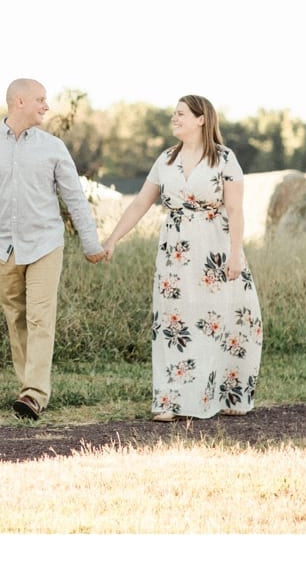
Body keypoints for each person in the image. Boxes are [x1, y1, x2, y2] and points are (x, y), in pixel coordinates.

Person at [102, 95, 262, 421]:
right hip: (175, 250)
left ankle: (227, 394)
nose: (174, 119)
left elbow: (234, 210)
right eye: (173, 114)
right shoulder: (166, 159)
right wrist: (112, 239)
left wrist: (235, 255)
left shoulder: (225, 159)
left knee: (220, 319)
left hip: (215, 250)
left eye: (181, 114)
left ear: (202, 119)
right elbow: (139, 204)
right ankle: (169, 400)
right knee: (174, 321)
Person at [0, 78, 110, 420]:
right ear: (20, 102)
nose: (46, 106)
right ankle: (28, 386)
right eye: (40, 99)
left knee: (41, 317)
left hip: (45, 244)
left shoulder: (53, 147)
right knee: (17, 318)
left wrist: (91, 243)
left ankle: (33, 395)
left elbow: (74, 197)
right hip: (0, 247)